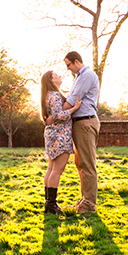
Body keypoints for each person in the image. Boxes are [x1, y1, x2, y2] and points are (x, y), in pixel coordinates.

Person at [46, 51, 101, 214]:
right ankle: (85, 199)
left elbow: (71, 101)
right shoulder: (78, 78)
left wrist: (53, 117)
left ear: (76, 62)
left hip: (85, 122)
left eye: (68, 65)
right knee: (80, 163)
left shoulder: (87, 76)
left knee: (87, 163)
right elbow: (70, 97)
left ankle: (89, 204)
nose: (68, 69)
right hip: (79, 123)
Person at [40, 70, 81, 214]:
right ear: (51, 80)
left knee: (51, 168)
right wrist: (74, 109)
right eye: (56, 75)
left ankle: (48, 203)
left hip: (52, 134)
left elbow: (53, 115)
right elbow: (58, 115)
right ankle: (52, 204)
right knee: (57, 170)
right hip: (60, 135)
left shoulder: (47, 95)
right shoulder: (55, 95)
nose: (59, 76)